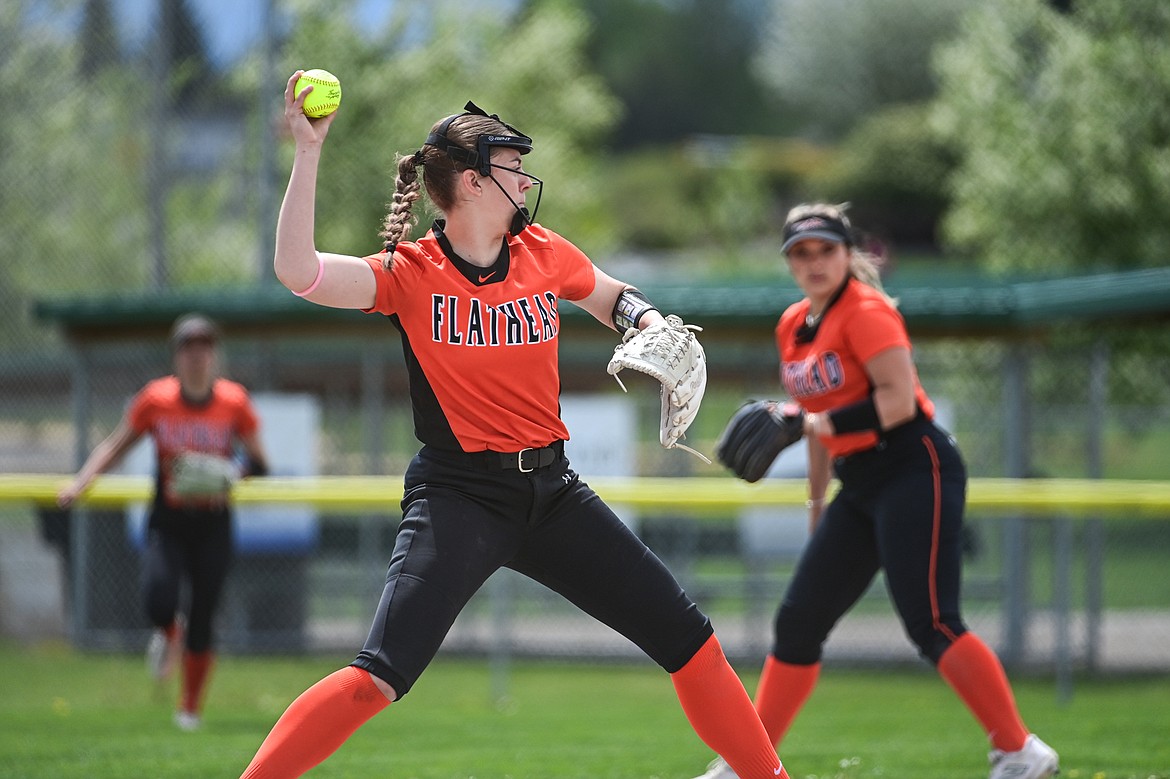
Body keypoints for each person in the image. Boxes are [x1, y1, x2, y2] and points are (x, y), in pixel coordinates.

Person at [236, 72, 791, 779]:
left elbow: (612, 295)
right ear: (470, 183)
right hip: (459, 495)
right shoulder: (411, 272)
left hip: (554, 493)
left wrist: (648, 320)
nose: (525, 181)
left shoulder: (543, 253)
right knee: (379, 673)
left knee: (688, 637)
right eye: (511, 167)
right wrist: (308, 153)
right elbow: (299, 272)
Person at [694, 203, 1059, 779]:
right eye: (800, 253)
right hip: (858, 482)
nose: (814, 263)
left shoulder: (867, 311)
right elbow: (814, 425)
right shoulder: (793, 324)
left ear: (848, 254)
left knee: (932, 621)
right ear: (789, 262)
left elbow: (896, 402)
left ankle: (1020, 749)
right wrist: (818, 509)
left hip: (916, 466)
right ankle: (749, 764)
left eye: (825, 250)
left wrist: (812, 425)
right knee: (799, 621)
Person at [58, 313, 269, 731]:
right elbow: (117, 444)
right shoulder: (157, 399)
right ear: (177, 355)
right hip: (169, 518)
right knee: (157, 598)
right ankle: (168, 631)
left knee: (205, 614)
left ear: (215, 355)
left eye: (205, 347)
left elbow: (259, 463)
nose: (197, 356)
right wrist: (82, 481)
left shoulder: (233, 401)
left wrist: (228, 472)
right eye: (189, 347)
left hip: (213, 519)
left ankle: (189, 708)